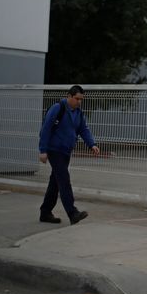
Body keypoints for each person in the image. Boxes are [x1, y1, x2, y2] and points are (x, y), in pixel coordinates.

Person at [38, 85, 100, 225]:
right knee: (64, 180)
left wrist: (92, 144)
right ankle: (72, 213)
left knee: (55, 182)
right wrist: (43, 150)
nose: (79, 102)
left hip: (66, 151)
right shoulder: (57, 108)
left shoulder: (78, 112)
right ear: (69, 96)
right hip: (55, 150)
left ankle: (45, 212)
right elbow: (46, 128)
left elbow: (83, 129)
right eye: (77, 99)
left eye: (81, 99)